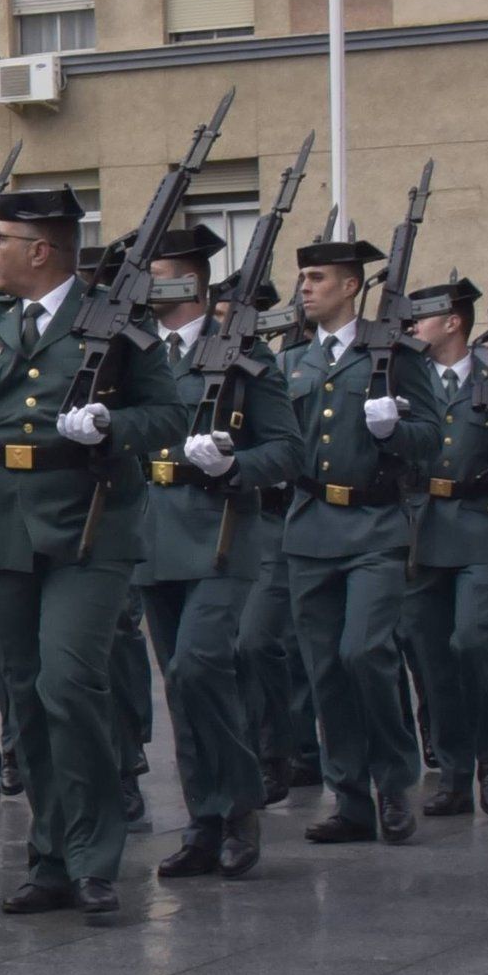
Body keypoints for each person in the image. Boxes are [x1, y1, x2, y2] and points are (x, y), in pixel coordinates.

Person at [0, 184, 188, 919]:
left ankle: (94, 854)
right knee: (23, 692)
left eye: (0, 239)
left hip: (90, 523)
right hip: (3, 520)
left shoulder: (117, 324)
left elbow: (171, 418)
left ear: (41, 250)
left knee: (68, 682)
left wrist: (111, 426)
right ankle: (50, 851)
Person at [132, 229, 297, 878]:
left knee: (202, 664)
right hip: (151, 532)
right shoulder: (137, 355)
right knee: (179, 681)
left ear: (191, 284)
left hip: (220, 530)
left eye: (161, 276)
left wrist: (235, 463)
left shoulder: (243, 355)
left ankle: (239, 806)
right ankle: (205, 819)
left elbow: (287, 451)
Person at [273, 233, 440, 845]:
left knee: (364, 653)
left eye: (317, 278)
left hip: (375, 525)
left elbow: (429, 440)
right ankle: (350, 797)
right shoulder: (291, 361)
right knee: (324, 670)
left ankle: (394, 783)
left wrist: (396, 431)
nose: (305, 289)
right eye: (304, 278)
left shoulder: (395, 354)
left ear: (350, 286)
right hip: (310, 526)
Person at [402, 279, 488, 820]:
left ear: (453, 322)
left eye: (422, 317)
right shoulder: (404, 376)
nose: (412, 327)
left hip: (480, 524)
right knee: (432, 659)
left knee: (474, 641)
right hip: (421, 529)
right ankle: (452, 772)